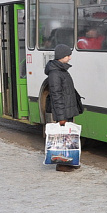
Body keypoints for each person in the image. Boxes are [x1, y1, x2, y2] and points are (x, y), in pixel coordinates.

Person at [44, 44, 81, 172]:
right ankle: (62, 164)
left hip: (67, 110)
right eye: (68, 55)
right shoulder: (55, 73)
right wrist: (61, 117)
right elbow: (56, 96)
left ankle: (69, 161)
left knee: (68, 138)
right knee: (63, 139)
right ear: (62, 56)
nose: (70, 58)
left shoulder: (61, 70)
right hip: (63, 112)